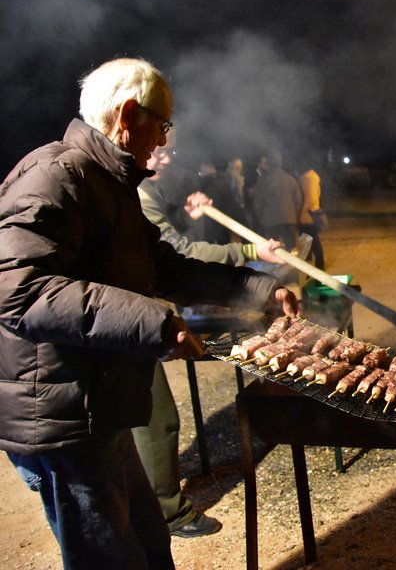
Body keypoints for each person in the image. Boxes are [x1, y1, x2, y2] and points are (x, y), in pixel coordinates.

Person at [0, 57, 301, 569]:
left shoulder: (111, 185)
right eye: (162, 125)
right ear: (127, 115)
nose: (163, 141)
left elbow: (164, 267)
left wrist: (258, 287)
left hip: (101, 408)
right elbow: (19, 290)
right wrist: (153, 322)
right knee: (110, 559)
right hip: (62, 419)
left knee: (149, 547)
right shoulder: (55, 174)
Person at [136, 146, 293, 539]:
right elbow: (178, 257)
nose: (168, 157)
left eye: (171, 148)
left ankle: (147, 501)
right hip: (129, 314)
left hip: (131, 313)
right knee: (155, 419)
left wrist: (184, 221)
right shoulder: (134, 192)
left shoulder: (141, 191)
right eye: (159, 148)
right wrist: (250, 251)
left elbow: (165, 247)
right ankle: (166, 513)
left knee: (146, 418)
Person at [251, 153, 303, 251]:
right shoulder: (290, 178)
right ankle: (291, 265)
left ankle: (277, 265)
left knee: (274, 249)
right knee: (291, 248)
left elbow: (257, 203)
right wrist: (293, 214)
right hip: (288, 219)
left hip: (269, 221)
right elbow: (298, 200)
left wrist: (262, 218)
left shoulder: (263, 180)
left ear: (269, 164)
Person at [297, 166, 326, 269]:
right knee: (308, 241)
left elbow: (310, 199)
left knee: (312, 241)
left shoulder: (309, 178)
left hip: (309, 215)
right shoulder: (307, 177)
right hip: (308, 215)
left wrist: (301, 212)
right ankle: (312, 265)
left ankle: (319, 265)